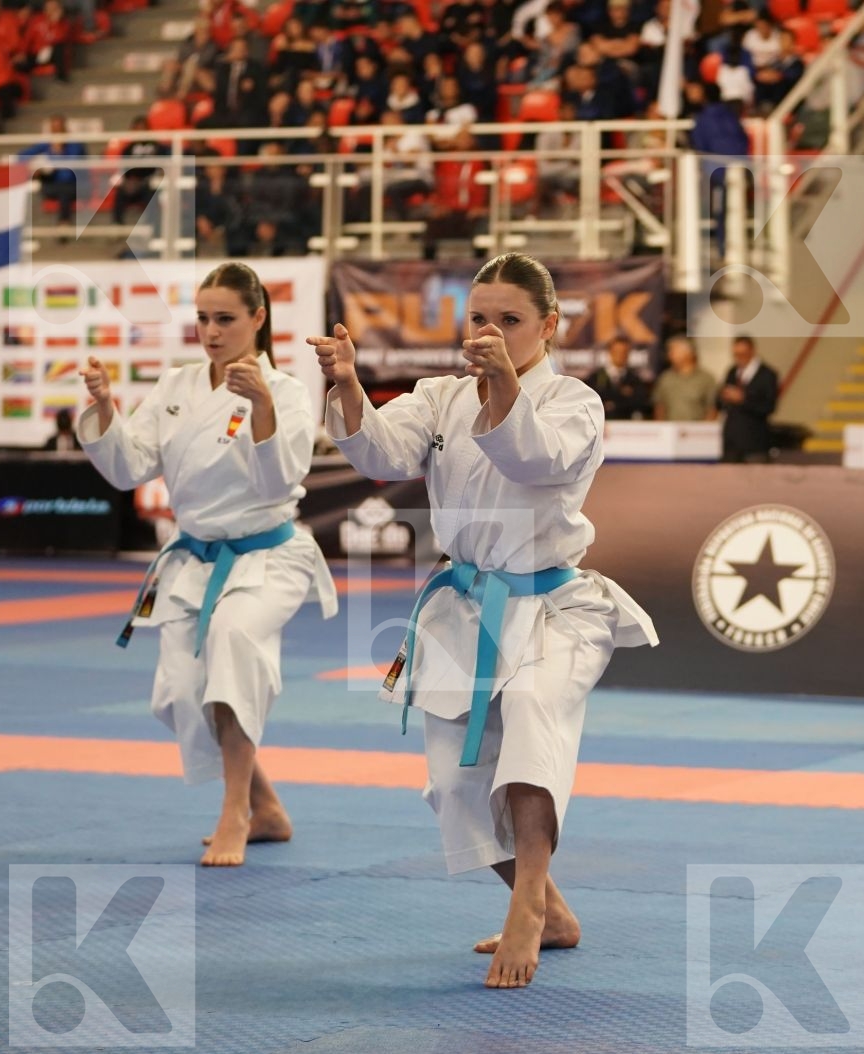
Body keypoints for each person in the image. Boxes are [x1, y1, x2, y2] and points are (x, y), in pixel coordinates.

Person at [310, 252, 658, 989]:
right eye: (478, 319)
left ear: (549, 327)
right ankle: (554, 910)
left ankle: (528, 908)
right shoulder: (440, 397)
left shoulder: (574, 403)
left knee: (533, 715)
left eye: (510, 321)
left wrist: (502, 381)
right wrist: (344, 385)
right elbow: (377, 449)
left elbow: (534, 462)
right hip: (466, 604)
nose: (490, 333)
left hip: (556, 605)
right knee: (454, 785)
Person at [77, 262, 338, 868]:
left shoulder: (289, 392)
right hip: (194, 558)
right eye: (202, 319)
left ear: (257, 319)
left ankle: (235, 812)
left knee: (233, 640)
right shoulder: (176, 387)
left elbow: (282, 478)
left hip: (267, 555)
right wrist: (105, 408)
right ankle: (266, 805)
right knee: (181, 691)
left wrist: (262, 407)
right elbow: (128, 468)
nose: (212, 331)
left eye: (225, 319)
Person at [717, 335, 779, 462]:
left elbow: (769, 406)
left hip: (754, 443)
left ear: (752, 351)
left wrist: (743, 399)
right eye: (736, 355)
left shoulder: (767, 375)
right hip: (732, 443)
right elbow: (720, 403)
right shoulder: (732, 372)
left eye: (743, 354)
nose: (739, 358)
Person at [588, 334, 654, 419]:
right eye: (616, 351)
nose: (620, 355)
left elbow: (640, 402)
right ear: (610, 352)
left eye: (624, 352)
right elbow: (593, 401)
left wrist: (613, 404)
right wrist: (622, 394)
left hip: (626, 427)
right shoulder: (596, 378)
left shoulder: (634, 379)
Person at [652, 336, 715, 421]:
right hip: (669, 430)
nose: (669, 355)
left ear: (688, 353)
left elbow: (712, 408)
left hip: (697, 431)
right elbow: (659, 406)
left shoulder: (706, 379)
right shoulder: (665, 378)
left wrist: (705, 429)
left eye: (673, 351)